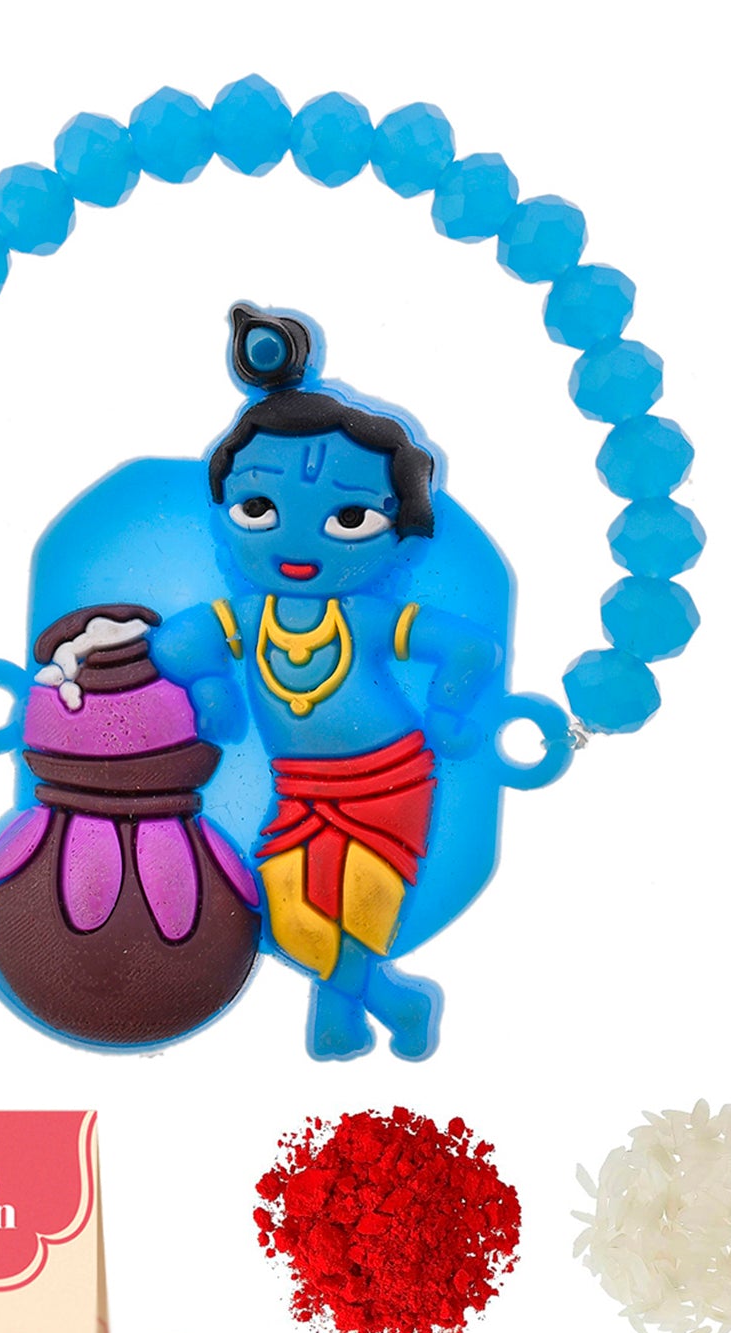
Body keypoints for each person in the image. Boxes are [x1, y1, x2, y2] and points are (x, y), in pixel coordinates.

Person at [150, 307, 500, 1059]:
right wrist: (211, 688)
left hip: (389, 777)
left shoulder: (368, 618)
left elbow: (471, 648)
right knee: (285, 913)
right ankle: (390, 1000)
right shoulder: (251, 617)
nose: (298, 541)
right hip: (300, 787)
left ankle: (339, 1018)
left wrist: (447, 711)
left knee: (364, 900)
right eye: (258, 508)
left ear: (399, 531)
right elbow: (175, 645)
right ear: (225, 513)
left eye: (348, 518)